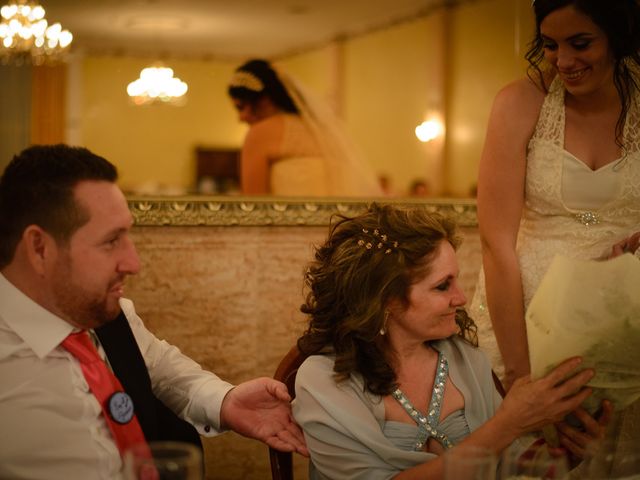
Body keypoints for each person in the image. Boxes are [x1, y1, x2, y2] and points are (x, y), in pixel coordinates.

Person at [0, 144, 307, 479]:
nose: (134, 263)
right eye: (111, 241)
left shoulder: (108, 313)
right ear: (39, 248)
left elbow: (161, 368)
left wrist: (224, 401)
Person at [292, 204, 610, 480]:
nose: (460, 298)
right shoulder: (323, 380)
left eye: (456, 280)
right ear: (386, 299)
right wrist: (509, 423)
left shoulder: (465, 360)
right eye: (443, 286)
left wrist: (569, 455)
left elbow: (505, 471)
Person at [470, 0, 640, 466]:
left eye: (580, 43)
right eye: (550, 45)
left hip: (626, 314)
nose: (563, 60)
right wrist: (522, 375)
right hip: (526, 314)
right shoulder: (518, 103)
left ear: (618, 37)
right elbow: (495, 242)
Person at [227, 59, 382, 196]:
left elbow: (253, 205)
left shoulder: (259, 133)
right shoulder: (323, 128)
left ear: (264, 100)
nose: (240, 118)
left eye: (240, 107)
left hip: (287, 229)